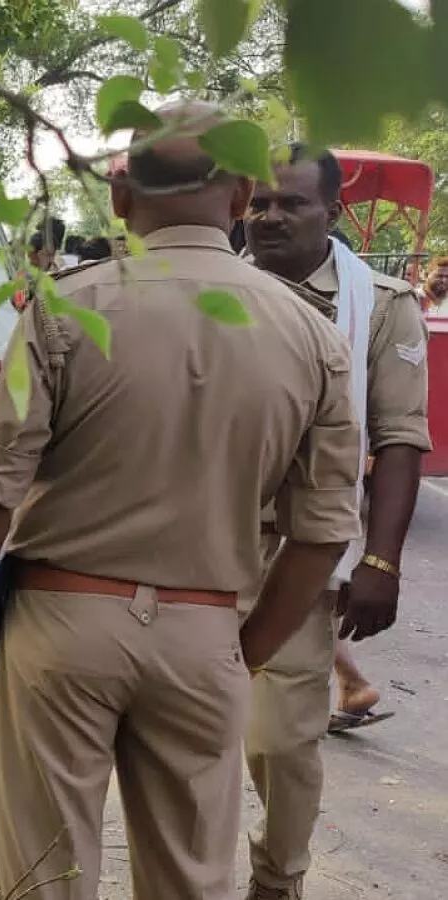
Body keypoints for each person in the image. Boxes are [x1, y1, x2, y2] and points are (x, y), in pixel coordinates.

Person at [0, 101, 360, 900]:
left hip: (59, 624)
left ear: (122, 197)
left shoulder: (66, 310)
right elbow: (320, 536)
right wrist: (243, 652)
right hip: (205, 632)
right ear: (242, 198)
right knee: (189, 880)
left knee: (43, 876)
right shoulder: (313, 337)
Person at [242, 144, 431, 900]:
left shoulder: (381, 305)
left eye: (291, 203)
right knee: (180, 739)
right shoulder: (207, 292)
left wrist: (380, 562)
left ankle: (276, 879)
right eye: (258, 203)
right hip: (189, 550)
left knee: (280, 742)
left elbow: (399, 438)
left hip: (297, 556)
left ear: (333, 212)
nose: (270, 217)